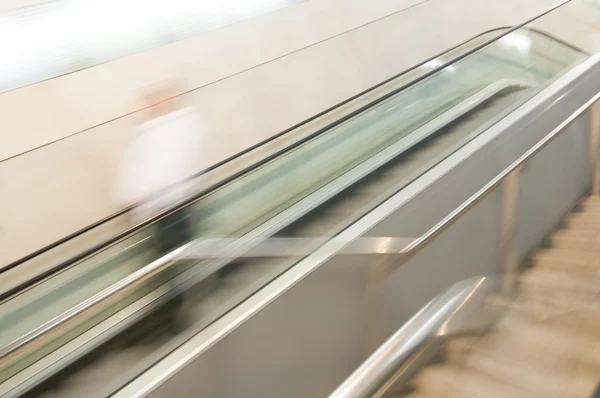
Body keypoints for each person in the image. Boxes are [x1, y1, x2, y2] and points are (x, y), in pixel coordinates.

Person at [112, 82, 205, 331]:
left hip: (169, 208)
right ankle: (169, 314)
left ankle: (173, 317)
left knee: (168, 263)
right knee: (164, 264)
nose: (145, 107)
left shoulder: (174, 127)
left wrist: (134, 203)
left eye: (152, 101)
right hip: (160, 210)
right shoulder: (158, 130)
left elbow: (158, 174)